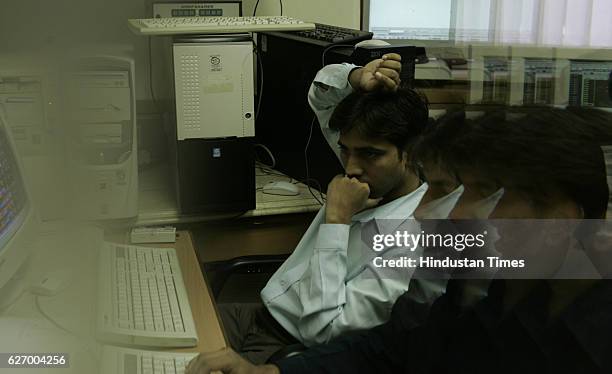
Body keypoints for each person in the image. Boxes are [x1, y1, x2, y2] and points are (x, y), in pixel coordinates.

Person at [187, 107, 612, 373]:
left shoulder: (590, 341)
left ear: (560, 219)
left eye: (487, 195)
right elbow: (387, 349)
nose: (442, 212)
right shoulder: (489, 287)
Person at [217, 54, 432, 364]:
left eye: (369, 154)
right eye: (345, 150)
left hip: (287, 350)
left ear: (410, 154)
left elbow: (325, 333)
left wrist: (337, 221)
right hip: (257, 313)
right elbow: (321, 94)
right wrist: (357, 77)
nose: (352, 167)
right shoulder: (364, 167)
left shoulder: (412, 240)